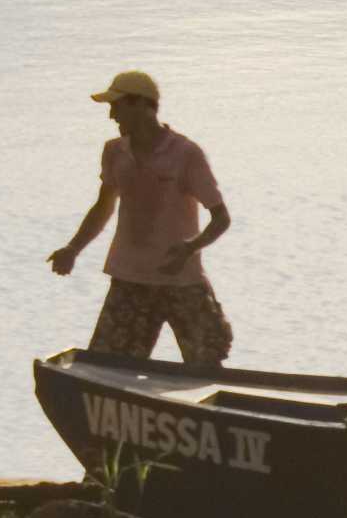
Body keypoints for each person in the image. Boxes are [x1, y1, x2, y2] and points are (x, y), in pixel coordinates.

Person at [51, 71, 233, 372]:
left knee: (207, 362)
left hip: (182, 280)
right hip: (129, 279)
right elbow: (103, 206)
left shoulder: (186, 154)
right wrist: (73, 248)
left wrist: (192, 247)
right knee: (107, 369)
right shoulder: (114, 152)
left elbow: (221, 218)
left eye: (117, 106)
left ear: (141, 105)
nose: (111, 115)